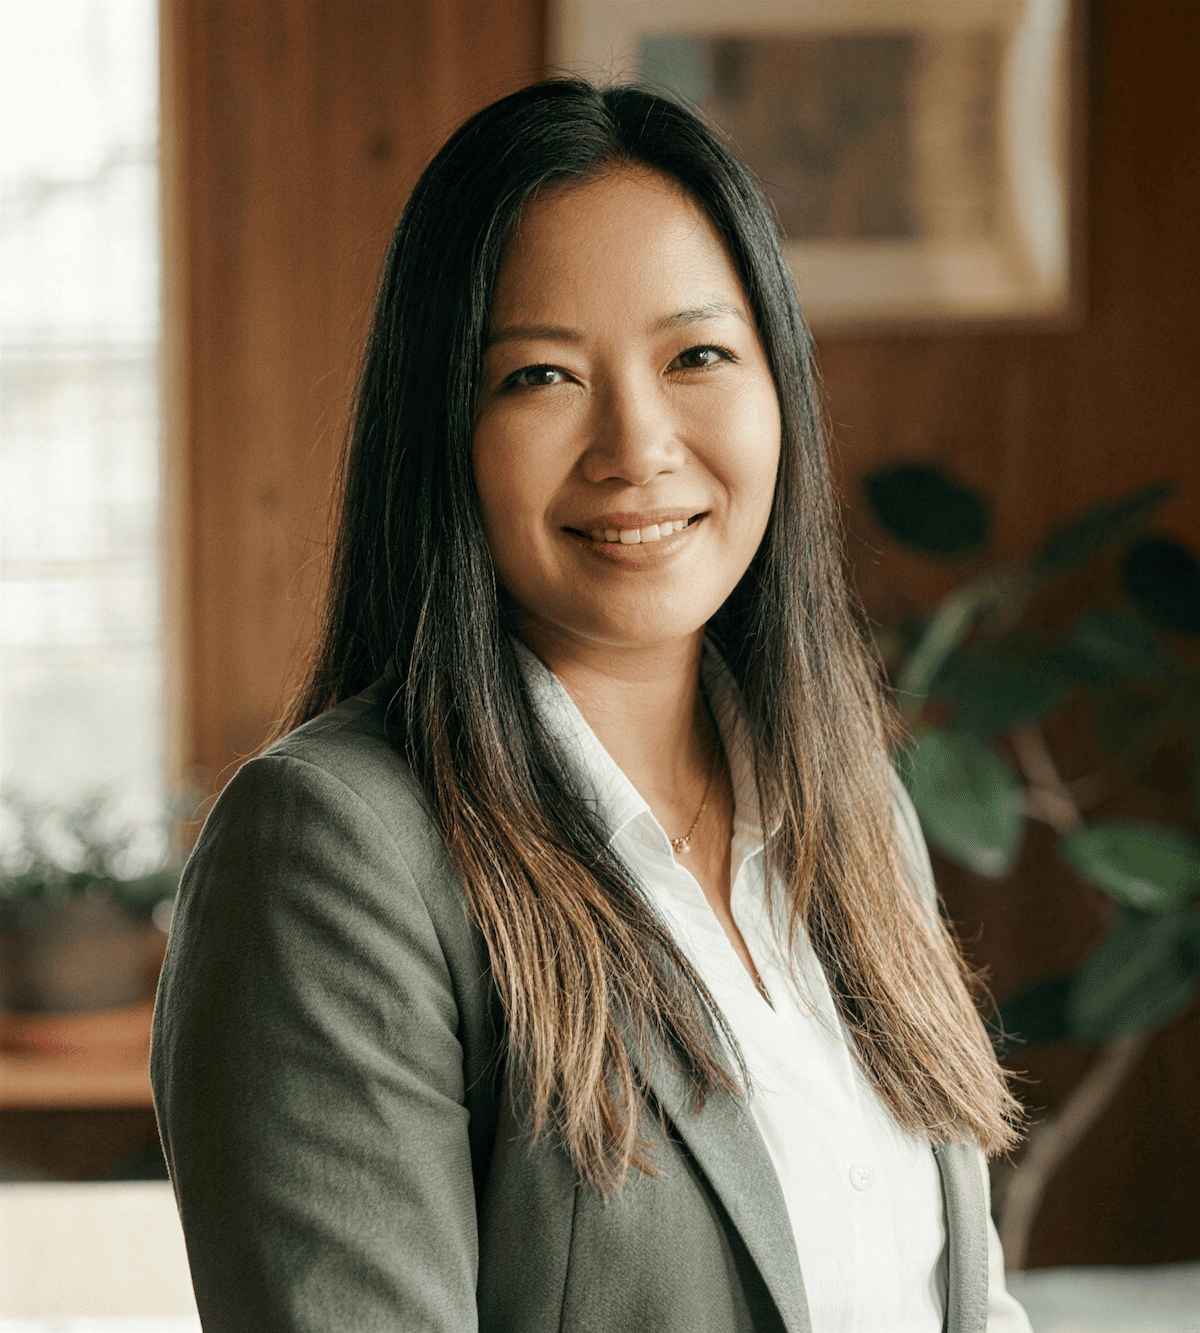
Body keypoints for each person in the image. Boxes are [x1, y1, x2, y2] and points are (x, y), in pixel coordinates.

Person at [151, 79, 1033, 1332]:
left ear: (779, 384)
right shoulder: (335, 853)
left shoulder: (856, 808)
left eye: (698, 356)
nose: (637, 444)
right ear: (443, 426)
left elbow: (964, 1296)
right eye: (541, 377)